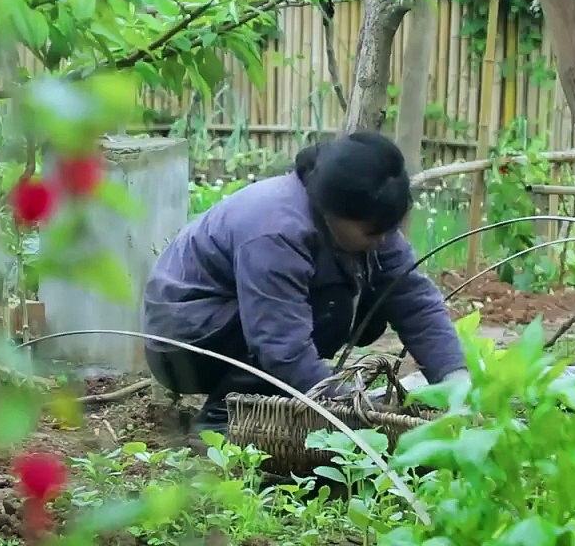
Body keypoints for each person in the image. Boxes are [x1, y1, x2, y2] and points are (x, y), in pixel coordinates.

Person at [142, 131, 468, 437]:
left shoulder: (362, 218)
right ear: (333, 211)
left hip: (235, 323)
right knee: (330, 308)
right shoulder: (276, 230)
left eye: (388, 229)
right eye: (372, 232)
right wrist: (349, 410)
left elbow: (413, 299)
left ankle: (264, 401)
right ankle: (225, 418)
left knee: (361, 299)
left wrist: (454, 379)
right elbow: (280, 344)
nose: (383, 240)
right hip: (183, 343)